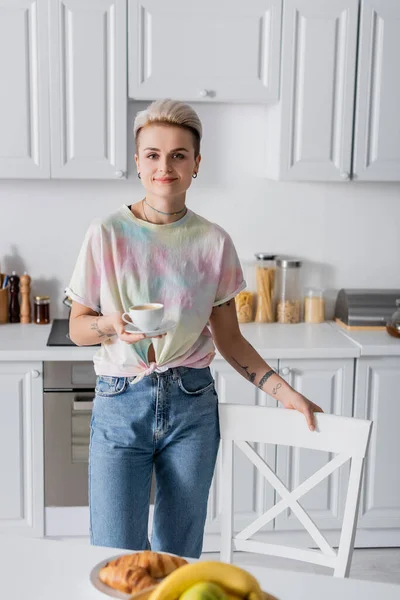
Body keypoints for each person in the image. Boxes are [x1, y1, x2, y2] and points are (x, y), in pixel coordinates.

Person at [66, 99, 323, 558]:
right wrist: (111, 324)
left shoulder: (213, 241)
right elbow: (79, 329)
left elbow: (230, 340)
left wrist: (286, 393)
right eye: (152, 154)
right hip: (120, 402)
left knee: (179, 558)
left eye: (179, 155)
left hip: (192, 404)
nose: (165, 166)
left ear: (196, 164)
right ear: (138, 162)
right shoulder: (105, 233)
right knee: (115, 553)